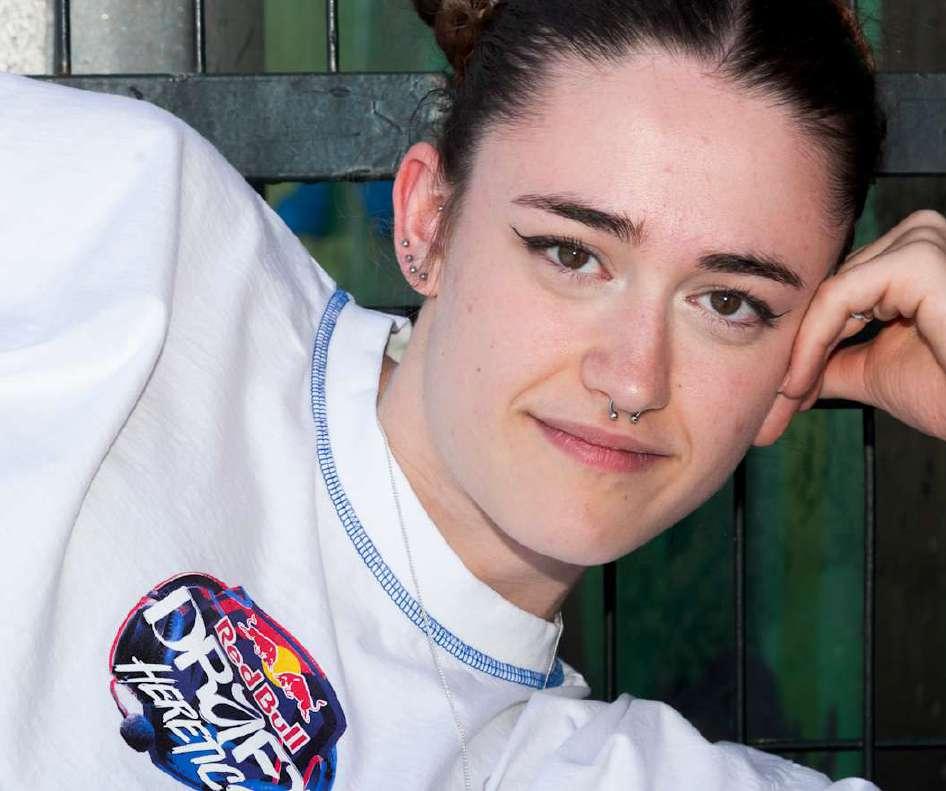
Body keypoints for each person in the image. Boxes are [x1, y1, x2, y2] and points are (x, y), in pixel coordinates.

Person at [1, 1, 944, 789]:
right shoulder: (142, 230)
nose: (632, 378)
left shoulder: (603, 771)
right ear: (429, 222)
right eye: (571, 253)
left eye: (729, 303)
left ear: (797, 358)